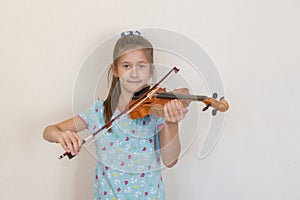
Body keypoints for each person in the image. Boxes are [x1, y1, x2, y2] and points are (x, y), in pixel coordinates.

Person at [43, 31, 189, 200]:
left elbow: (171, 161)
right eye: (126, 66)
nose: (134, 73)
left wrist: (172, 123)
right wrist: (60, 134)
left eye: (141, 66)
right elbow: (49, 131)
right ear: (115, 70)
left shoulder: (156, 112)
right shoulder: (98, 113)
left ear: (151, 71)